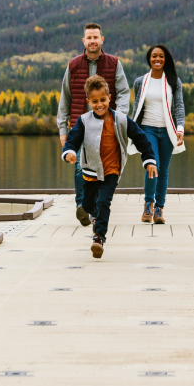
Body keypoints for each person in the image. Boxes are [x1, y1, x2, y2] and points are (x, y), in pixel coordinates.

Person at [62, 75, 158, 258]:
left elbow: (140, 137)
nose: (100, 105)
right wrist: (69, 152)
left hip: (112, 171)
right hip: (90, 171)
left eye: (103, 100)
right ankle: (95, 217)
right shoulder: (83, 120)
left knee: (104, 201)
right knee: (89, 205)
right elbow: (73, 139)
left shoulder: (121, 119)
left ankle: (99, 238)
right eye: (95, 101)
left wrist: (149, 160)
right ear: (88, 101)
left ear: (109, 98)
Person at [57, 23, 129, 226]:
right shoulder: (73, 65)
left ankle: (94, 208)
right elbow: (65, 99)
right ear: (84, 41)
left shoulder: (115, 64)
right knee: (81, 167)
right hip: (80, 127)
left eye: (96, 37)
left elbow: (123, 92)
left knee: (103, 169)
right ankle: (82, 206)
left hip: (107, 126)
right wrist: (63, 129)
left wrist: (120, 117)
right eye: (89, 38)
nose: (92, 41)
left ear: (102, 39)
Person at [129, 44, 185, 224]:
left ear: (165, 59)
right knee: (153, 165)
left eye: (161, 56)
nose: (157, 59)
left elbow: (179, 106)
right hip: (148, 129)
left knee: (164, 170)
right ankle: (148, 205)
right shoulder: (140, 81)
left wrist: (180, 128)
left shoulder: (174, 81)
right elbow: (137, 107)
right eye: (154, 56)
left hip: (168, 130)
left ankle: (159, 209)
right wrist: (131, 129)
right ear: (149, 59)